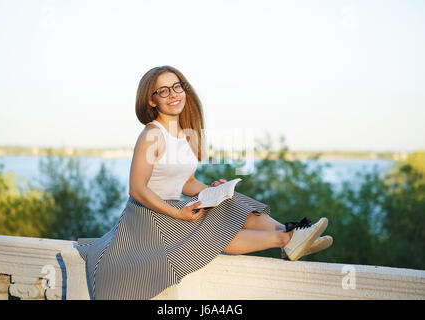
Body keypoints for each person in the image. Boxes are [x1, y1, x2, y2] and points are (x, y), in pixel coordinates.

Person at [76, 65, 332, 300]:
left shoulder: (188, 134)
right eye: (163, 91)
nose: (173, 94)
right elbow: (137, 189)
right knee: (210, 233)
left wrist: (212, 191)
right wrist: (177, 212)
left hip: (175, 206)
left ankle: (292, 234)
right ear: (152, 100)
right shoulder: (152, 133)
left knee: (231, 201)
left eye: (177, 86)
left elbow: (186, 181)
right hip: (147, 217)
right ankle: (285, 240)